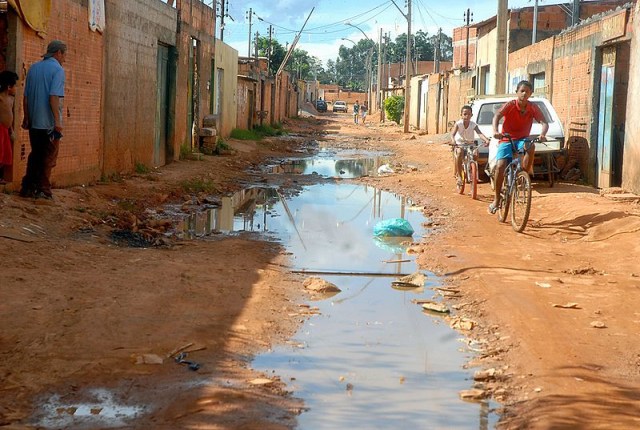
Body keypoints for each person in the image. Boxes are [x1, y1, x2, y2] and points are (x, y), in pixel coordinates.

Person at [488, 80, 548, 214]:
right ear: (517, 92)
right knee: (500, 165)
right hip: (506, 138)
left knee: (531, 147)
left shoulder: (533, 107)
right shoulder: (510, 105)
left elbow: (544, 122)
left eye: (527, 91)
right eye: (522, 91)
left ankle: (524, 174)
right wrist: (495, 130)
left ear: (531, 93)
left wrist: (543, 134)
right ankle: (497, 199)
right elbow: (497, 115)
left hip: (522, 139)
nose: (524, 93)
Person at [20, 40, 67, 200]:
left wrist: (27, 117)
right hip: (48, 122)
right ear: (58, 53)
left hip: (34, 120)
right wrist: (57, 122)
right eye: (64, 54)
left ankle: (27, 187)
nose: (64, 58)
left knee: (36, 154)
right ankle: (43, 189)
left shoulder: (34, 68)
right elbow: (54, 96)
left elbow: (25, 97)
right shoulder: (58, 70)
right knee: (47, 156)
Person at [449, 105, 490, 187]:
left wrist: (486, 139)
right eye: (464, 114)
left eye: (468, 114)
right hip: (460, 144)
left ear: (471, 115)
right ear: (461, 115)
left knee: (475, 154)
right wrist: (453, 140)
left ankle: (473, 172)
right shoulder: (458, 124)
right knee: (459, 153)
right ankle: (460, 177)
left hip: (470, 144)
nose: (466, 116)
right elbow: (452, 134)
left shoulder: (473, 124)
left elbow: (479, 133)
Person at [0, 70, 18, 184]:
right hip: (0, 129)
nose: (16, 88)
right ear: (8, 86)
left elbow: (10, 114)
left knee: (5, 154)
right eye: (14, 85)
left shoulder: (11, 99)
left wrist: (11, 130)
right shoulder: (0, 98)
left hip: (6, 130)